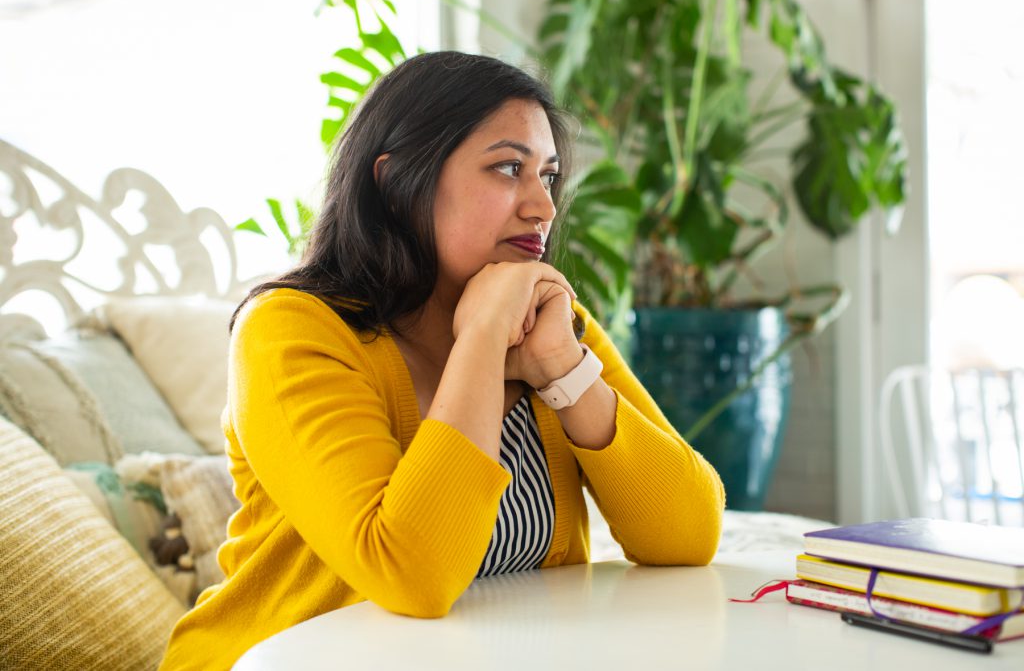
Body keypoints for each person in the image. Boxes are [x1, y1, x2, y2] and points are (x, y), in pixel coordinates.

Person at [159, 51, 725, 671]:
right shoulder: (291, 331)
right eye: (509, 168)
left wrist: (563, 367)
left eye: (549, 176)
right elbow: (413, 575)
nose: (543, 206)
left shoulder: (550, 325)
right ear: (398, 183)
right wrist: (482, 340)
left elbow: (688, 535)